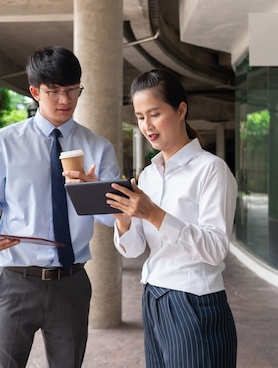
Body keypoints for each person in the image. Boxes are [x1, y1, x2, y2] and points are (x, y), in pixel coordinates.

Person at [0, 46, 120, 368]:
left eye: (72, 91)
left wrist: (91, 194)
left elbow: (114, 219)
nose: (65, 101)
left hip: (72, 284)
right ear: (36, 92)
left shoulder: (98, 147)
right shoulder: (4, 141)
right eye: (54, 92)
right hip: (15, 280)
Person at [106, 69, 238, 368]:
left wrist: (153, 213)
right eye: (140, 117)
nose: (147, 125)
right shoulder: (149, 175)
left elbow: (216, 248)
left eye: (154, 114)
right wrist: (123, 218)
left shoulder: (211, 170)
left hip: (195, 302)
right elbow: (135, 249)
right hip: (153, 297)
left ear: (181, 110)